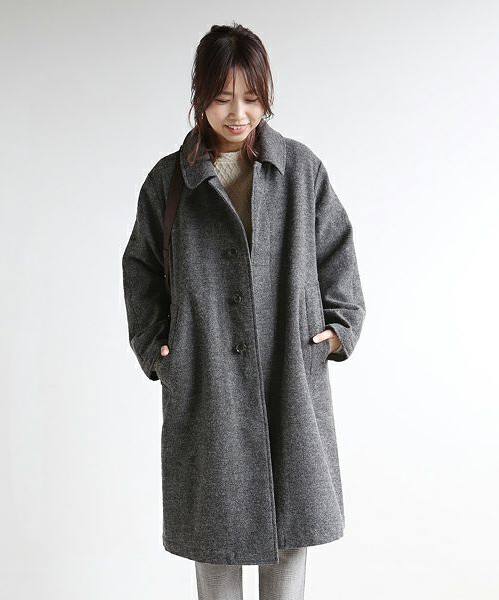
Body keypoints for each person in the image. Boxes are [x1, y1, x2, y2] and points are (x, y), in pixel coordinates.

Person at [122, 22, 366, 600]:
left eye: (252, 98)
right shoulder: (168, 181)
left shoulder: (300, 170)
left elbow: (337, 253)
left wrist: (337, 331)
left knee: (290, 544)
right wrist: (158, 346)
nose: (238, 113)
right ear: (200, 96)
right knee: (214, 549)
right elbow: (140, 267)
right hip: (207, 387)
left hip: (289, 377)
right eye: (223, 97)